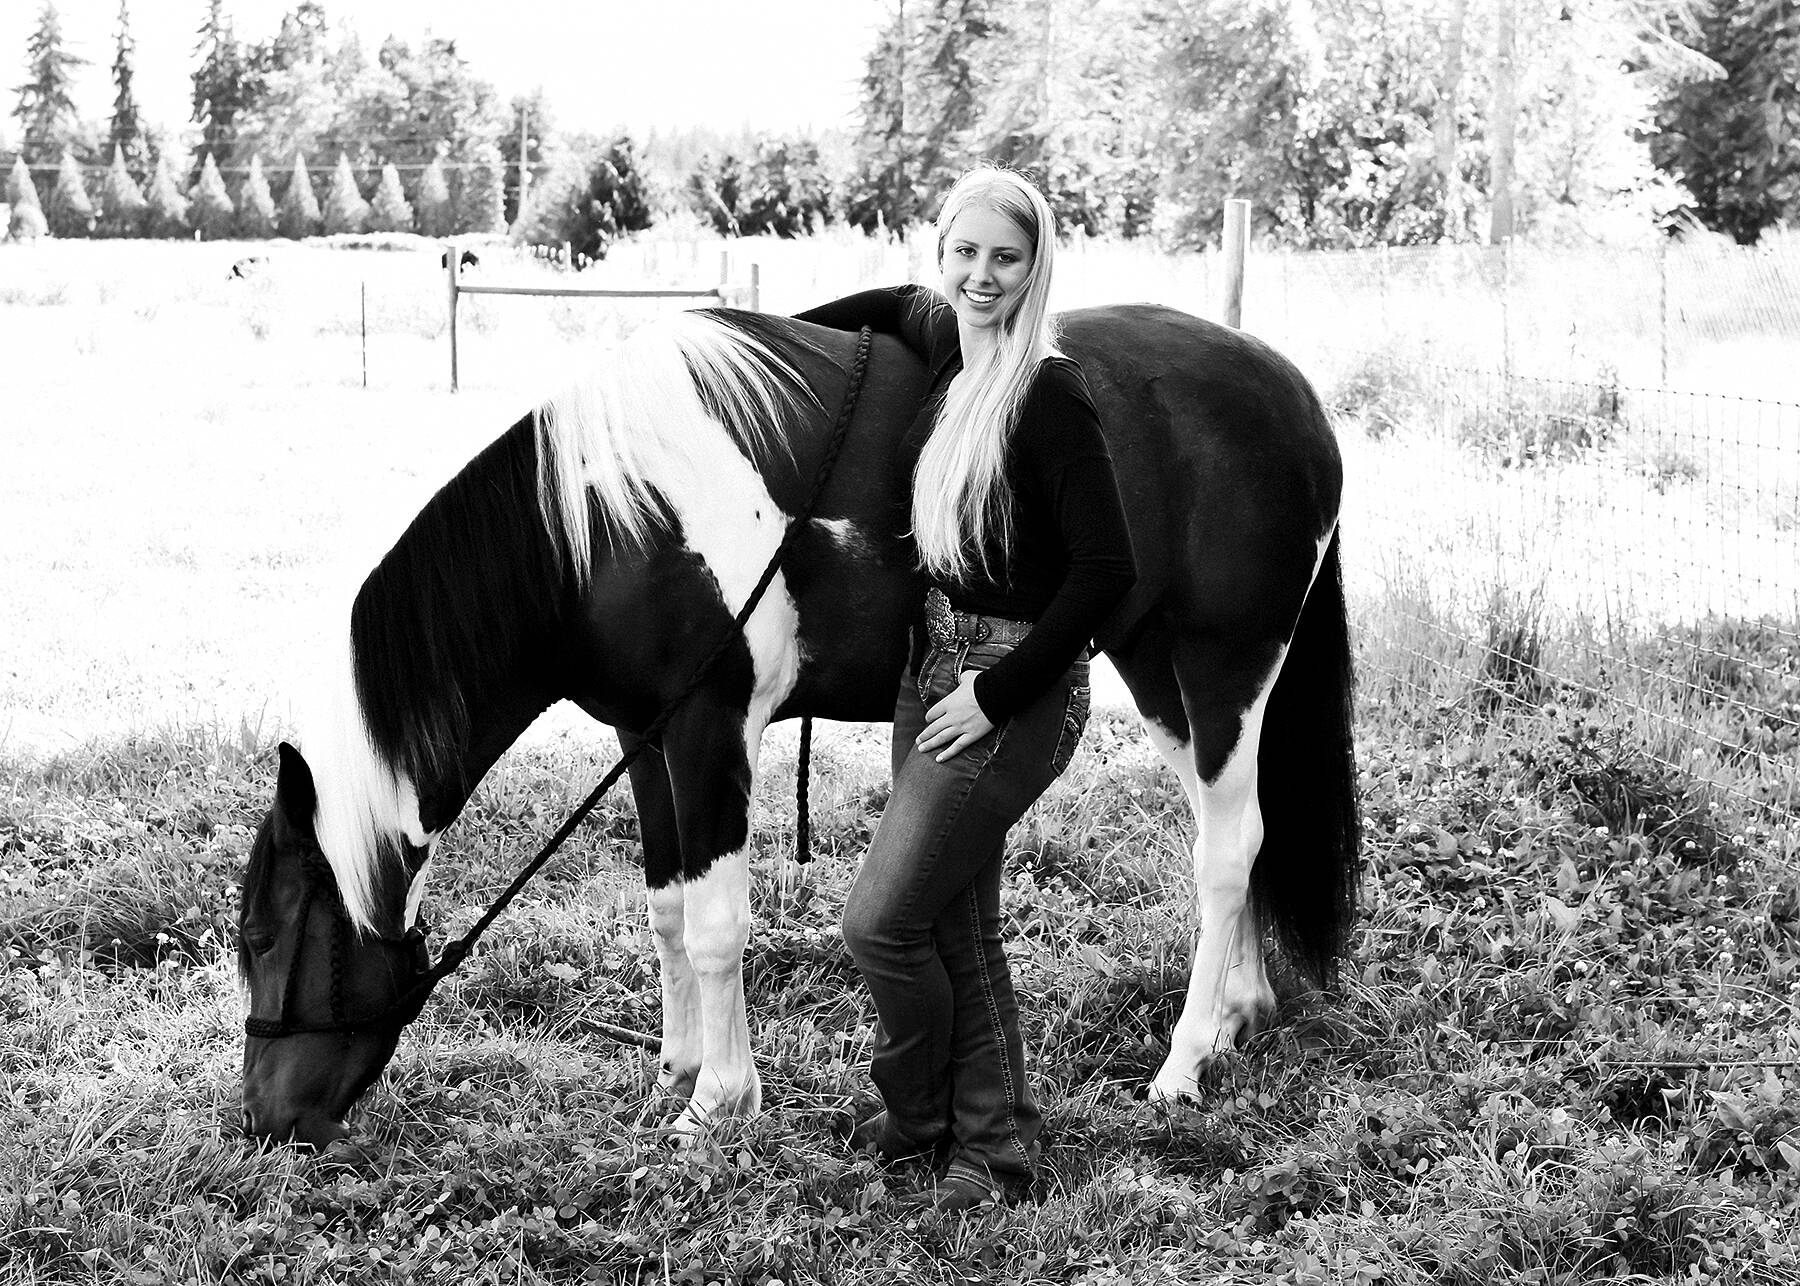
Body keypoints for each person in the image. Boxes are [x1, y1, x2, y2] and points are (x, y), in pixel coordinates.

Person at [793, 166, 1137, 1212]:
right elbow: (886, 306)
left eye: (1007, 257)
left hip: (1007, 685)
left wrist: (996, 692)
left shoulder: (1046, 392)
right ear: (941, 252)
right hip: (927, 670)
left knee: (879, 924)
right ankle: (989, 1147)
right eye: (966, 253)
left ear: (1038, 267)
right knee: (956, 924)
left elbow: (1106, 570)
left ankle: (917, 1116)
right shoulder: (953, 349)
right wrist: (760, 338)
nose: (982, 275)